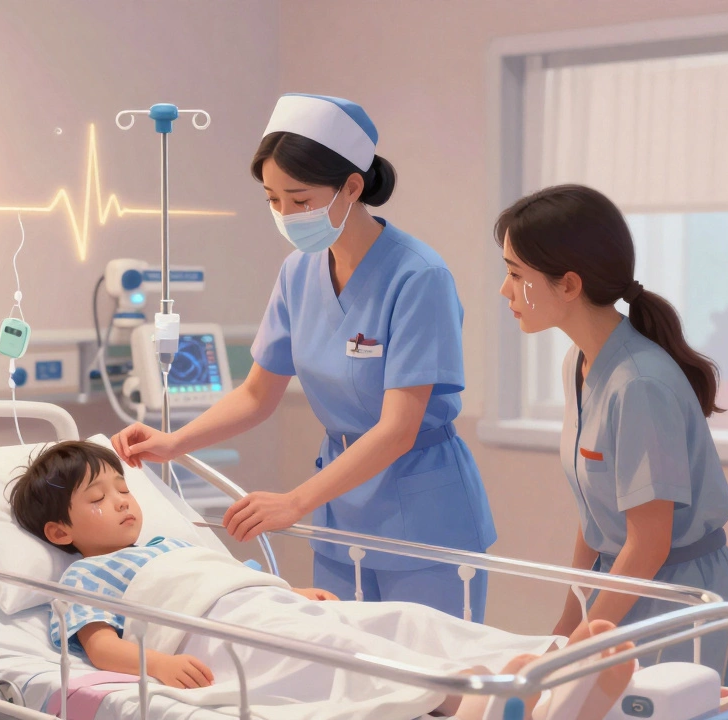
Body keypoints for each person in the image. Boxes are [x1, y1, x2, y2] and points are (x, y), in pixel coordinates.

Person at [111, 93, 496, 621]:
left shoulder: (418, 277)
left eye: (300, 199)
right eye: (272, 200)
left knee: (433, 689)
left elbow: (397, 430)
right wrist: (174, 443)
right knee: (346, 675)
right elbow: (256, 394)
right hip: (339, 509)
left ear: (352, 187)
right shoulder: (298, 273)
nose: (286, 215)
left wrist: (295, 502)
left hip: (422, 512)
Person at [8, 441, 637, 720]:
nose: (122, 501)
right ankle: (477, 702)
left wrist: (287, 591)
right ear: (61, 533)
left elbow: (226, 575)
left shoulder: (172, 540)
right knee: (348, 654)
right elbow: (100, 647)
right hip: (217, 638)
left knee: (406, 619)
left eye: (124, 487)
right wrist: (155, 667)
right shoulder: (87, 575)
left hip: (262, 608)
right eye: (99, 498)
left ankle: (543, 663)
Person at [496, 184, 728, 683]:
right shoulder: (580, 362)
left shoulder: (638, 384)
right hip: (623, 585)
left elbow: (649, 542)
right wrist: (569, 620)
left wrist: (579, 644)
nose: (505, 290)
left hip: (675, 602)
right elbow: (596, 512)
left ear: (568, 284)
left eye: (514, 274)